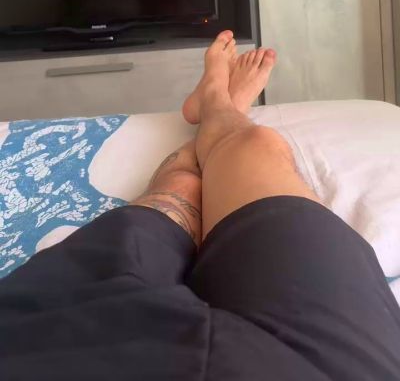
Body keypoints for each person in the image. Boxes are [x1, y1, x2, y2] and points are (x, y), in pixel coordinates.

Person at [1, 31, 399, 380]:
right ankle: (219, 107)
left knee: (179, 188)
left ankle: (217, 105)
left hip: (50, 332)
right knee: (254, 145)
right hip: (326, 366)